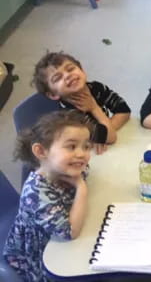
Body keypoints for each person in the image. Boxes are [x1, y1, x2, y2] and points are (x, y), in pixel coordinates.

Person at [3, 110, 92, 282]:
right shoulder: (36, 192)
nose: (82, 154)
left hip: (55, 231)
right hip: (38, 255)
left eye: (86, 146)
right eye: (71, 146)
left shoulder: (67, 168)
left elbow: (85, 173)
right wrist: (81, 188)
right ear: (41, 151)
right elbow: (69, 232)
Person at [33, 52, 131, 154]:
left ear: (82, 71)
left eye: (70, 69)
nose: (68, 75)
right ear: (53, 95)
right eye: (58, 78)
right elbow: (111, 137)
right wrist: (94, 109)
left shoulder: (96, 88)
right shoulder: (69, 115)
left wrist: (105, 133)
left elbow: (124, 111)